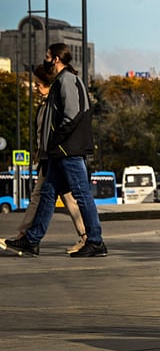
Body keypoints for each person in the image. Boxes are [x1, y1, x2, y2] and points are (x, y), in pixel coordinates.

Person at [4, 43, 108, 257]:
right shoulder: (64, 81)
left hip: (67, 150)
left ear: (56, 59)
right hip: (61, 150)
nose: (45, 59)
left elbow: (72, 114)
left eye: (47, 56)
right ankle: (31, 240)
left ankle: (95, 241)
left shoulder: (66, 80)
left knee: (81, 195)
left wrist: (56, 141)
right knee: (48, 193)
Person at [9, 64, 87, 254]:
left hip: (55, 157)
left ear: (48, 85)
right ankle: (86, 236)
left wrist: (48, 152)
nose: (36, 87)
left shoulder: (52, 106)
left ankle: (26, 237)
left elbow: (57, 130)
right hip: (49, 157)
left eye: (38, 84)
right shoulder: (44, 105)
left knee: (46, 196)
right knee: (63, 198)